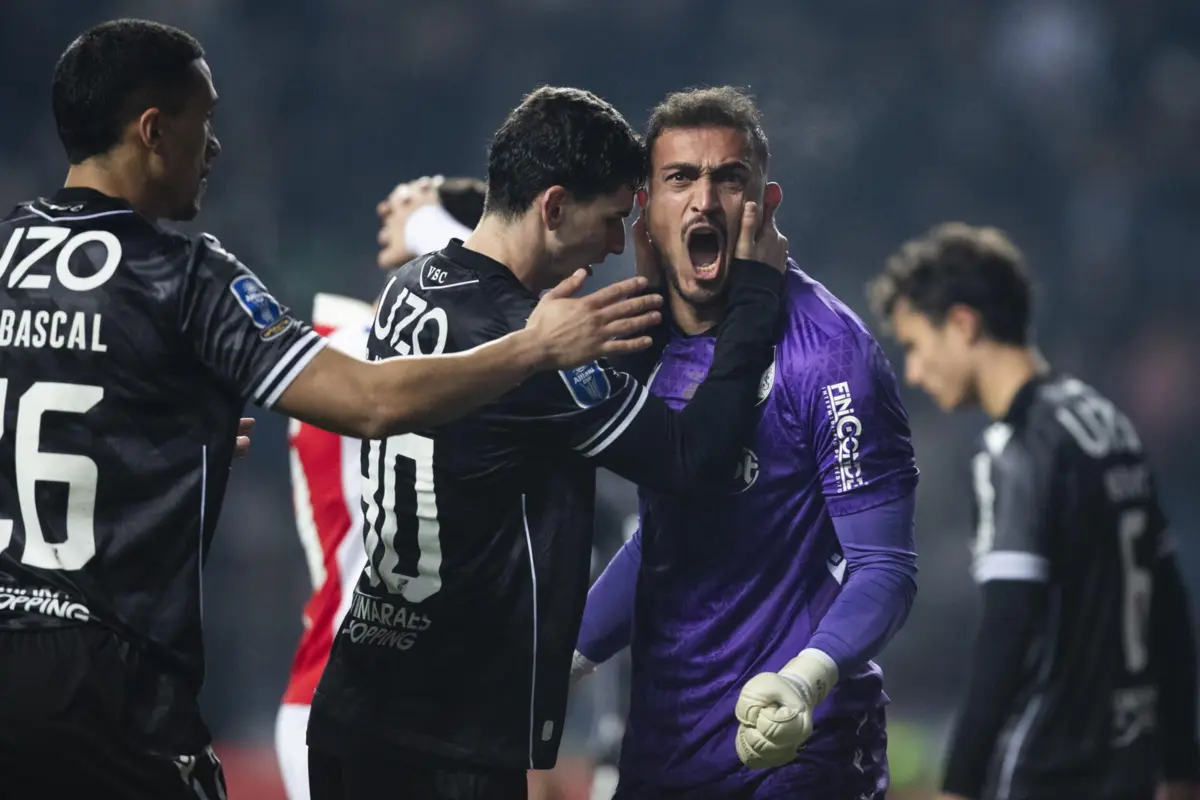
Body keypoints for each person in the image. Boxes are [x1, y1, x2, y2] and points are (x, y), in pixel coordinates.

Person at [0, 20, 660, 799]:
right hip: (117, 689)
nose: (213, 148)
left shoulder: (8, 250)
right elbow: (373, 402)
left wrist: (147, 452)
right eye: (203, 122)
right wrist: (537, 347)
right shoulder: (185, 279)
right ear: (152, 130)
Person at [305, 84, 789, 800]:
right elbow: (692, 460)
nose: (615, 244)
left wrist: (650, 308)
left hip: (355, 707)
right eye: (609, 219)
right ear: (554, 206)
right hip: (447, 741)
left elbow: (543, 418)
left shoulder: (415, 285)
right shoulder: (527, 347)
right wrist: (754, 297)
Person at [571, 86, 920, 799]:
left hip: (799, 744)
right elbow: (660, 539)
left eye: (729, 178)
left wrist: (804, 679)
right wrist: (568, 655)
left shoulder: (829, 355)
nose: (705, 199)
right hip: (664, 744)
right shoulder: (638, 338)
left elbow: (883, 564)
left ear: (767, 204)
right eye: (680, 179)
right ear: (648, 209)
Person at [867, 222, 1200, 800]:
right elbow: (1168, 605)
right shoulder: (1105, 422)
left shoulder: (1013, 450)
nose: (915, 372)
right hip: (1132, 763)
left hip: (1049, 762)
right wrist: (1180, 762)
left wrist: (961, 780)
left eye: (917, 346)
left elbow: (1008, 628)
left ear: (964, 325)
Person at [275, 175, 485, 800]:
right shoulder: (377, 360)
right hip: (364, 691)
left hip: (372, 689)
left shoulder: (330, 352)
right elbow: (499, 317)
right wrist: (432, 224)